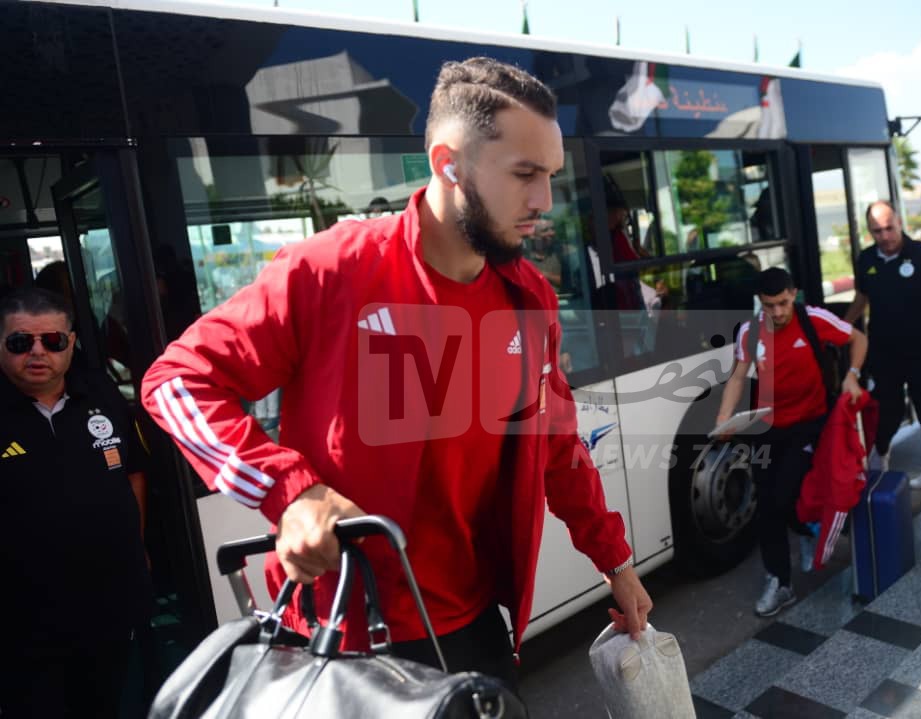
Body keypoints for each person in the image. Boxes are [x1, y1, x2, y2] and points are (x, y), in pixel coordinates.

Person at [140, 57, 651, 688]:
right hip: (341, 635)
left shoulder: (529, 298)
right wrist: (290, 491)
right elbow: (176, 379)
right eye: (524, 174)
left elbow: (556, 444)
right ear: (448, 163)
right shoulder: (331, 269)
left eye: (550, 174)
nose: (543, 200)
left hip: (475, 627)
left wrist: (615, 562)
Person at [0, 287, 150, 718]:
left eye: (52, 341)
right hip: (23, 618)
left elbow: (134, 473)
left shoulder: (102, 396)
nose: (37, 352)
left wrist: (136, 544)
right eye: (20, 342)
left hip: (108, 604)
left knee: (105, 704)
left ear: (71, 342)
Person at [714, 267, 867, 616]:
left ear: (794, 294)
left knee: (786, 497)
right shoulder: (750, 332)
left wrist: (853, 376)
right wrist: (724, 417)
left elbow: (859, 339)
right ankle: (780, 582)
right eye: (770, 305)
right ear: (760, 302)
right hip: (768, 428)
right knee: (767, 505)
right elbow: (738, 377)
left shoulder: (813, 319)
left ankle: (806, 527)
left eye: (783, 303)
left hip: (810, 425)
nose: (778, 312)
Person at [844, 202, 921, 521]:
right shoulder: (866, 259)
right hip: (884, 356)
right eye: (877, 231)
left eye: (889, 228)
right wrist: (841, 329)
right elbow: (862, 299)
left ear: (899, 222)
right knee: (886, 417)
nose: (884, 236)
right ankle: (879, 464)